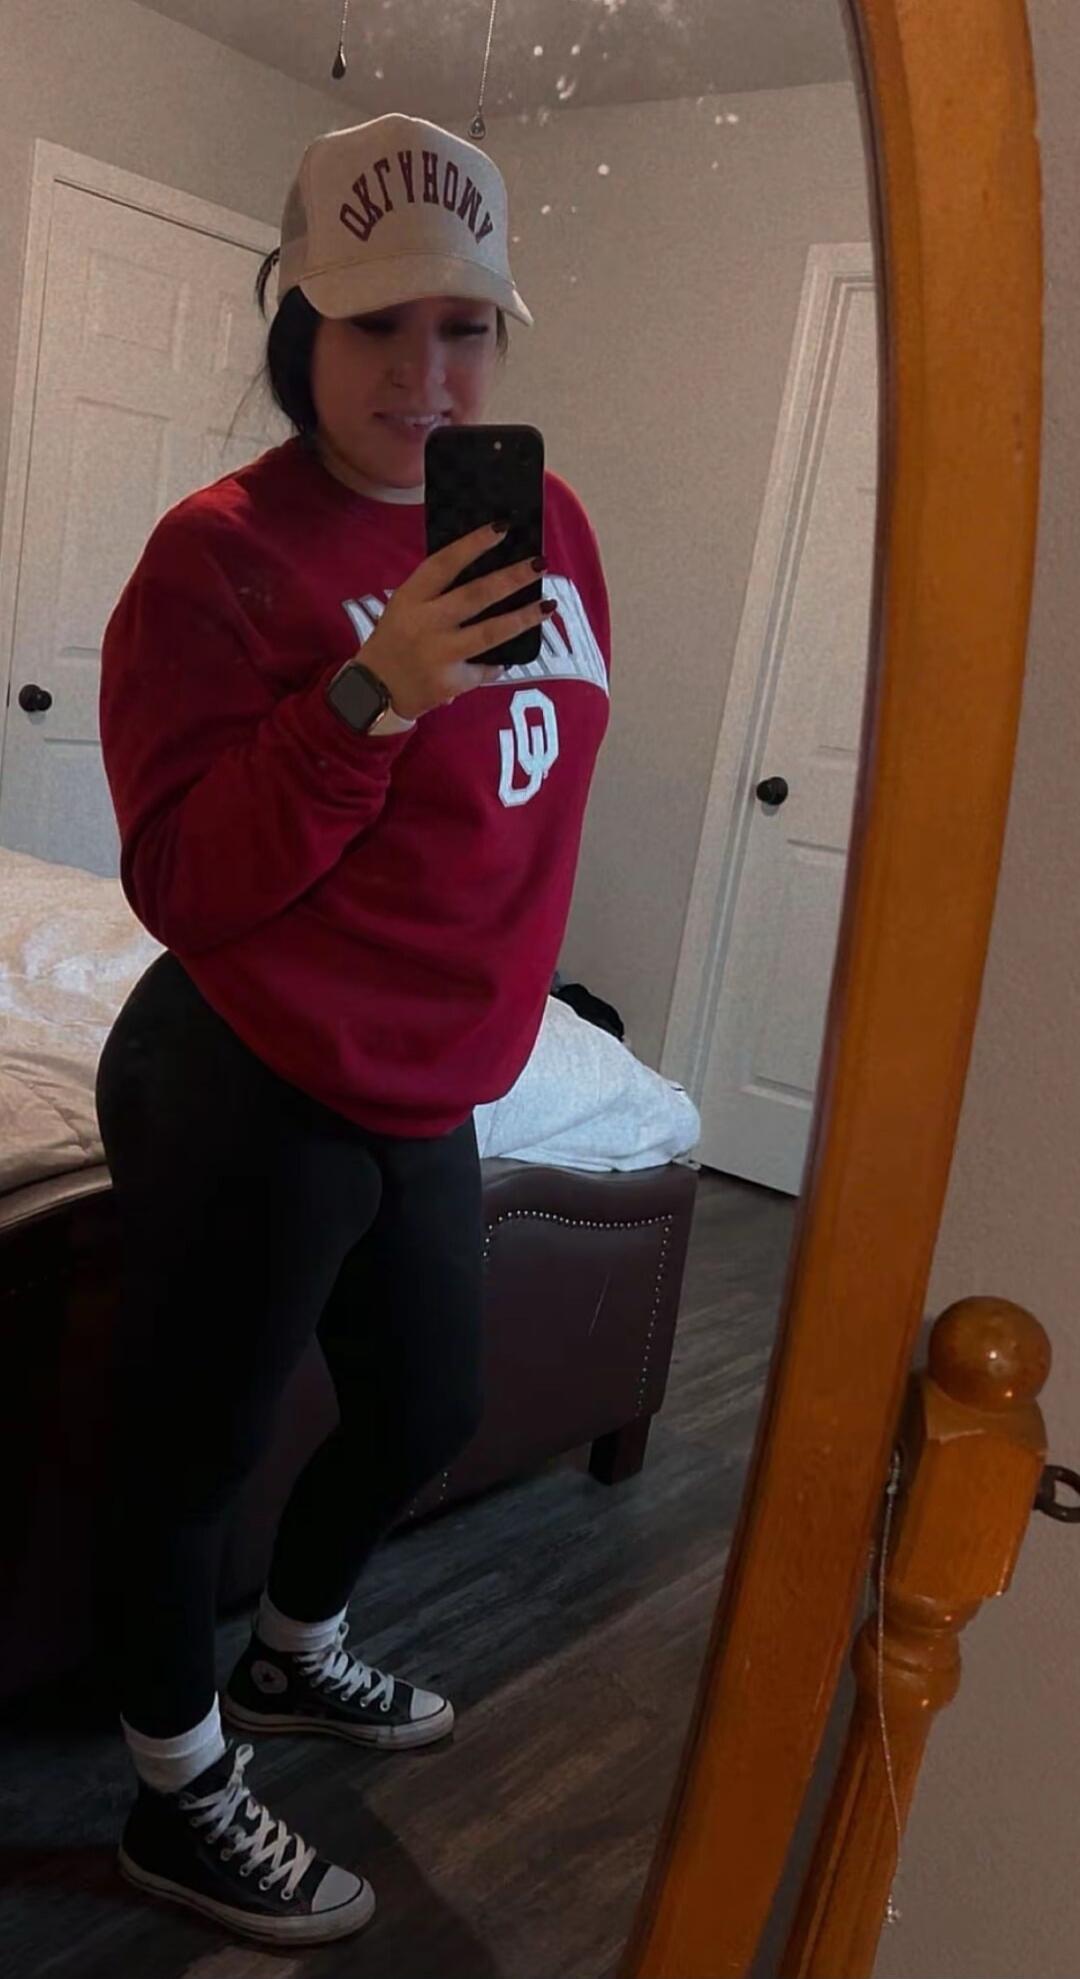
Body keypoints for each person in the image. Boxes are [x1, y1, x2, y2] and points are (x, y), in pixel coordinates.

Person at [93, 112, 611, 1947]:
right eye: (377, 323)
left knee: (427, 1404)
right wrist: (368, 697)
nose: (425, 371)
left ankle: (295, 1653)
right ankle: (173, 1793)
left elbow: (532, 805)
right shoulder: (216, 556)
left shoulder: (547, 526)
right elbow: (184, 876)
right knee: (190, 1455)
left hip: (430, 1080)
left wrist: (502, 1001)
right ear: (297, 323)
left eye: (464, 327)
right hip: (247, 1067)